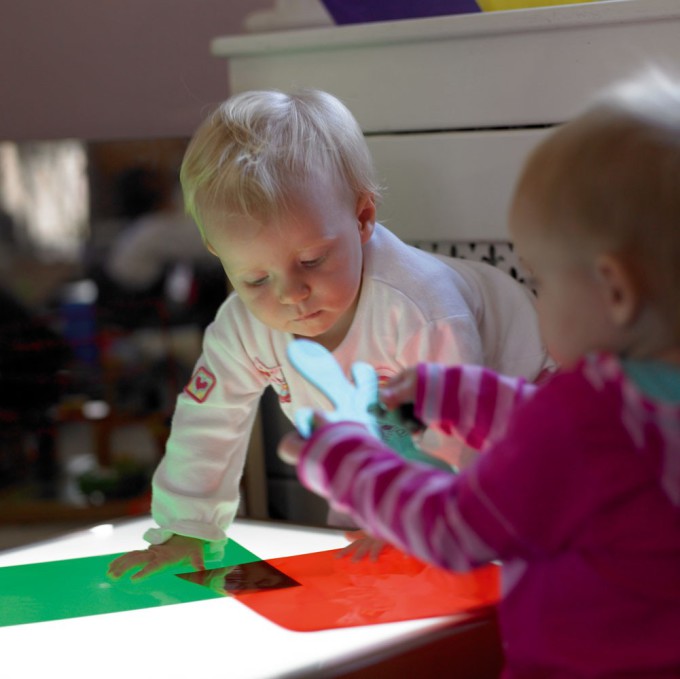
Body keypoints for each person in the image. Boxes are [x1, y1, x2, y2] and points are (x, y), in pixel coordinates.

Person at [278, 71, 680, 678]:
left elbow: (452, 529)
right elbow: (548, 432)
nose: (535, 301)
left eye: (540, 281)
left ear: (615, 291)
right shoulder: (628, 405)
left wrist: (346, 461)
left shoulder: (582, 420)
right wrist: (455, 393)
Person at [108, 88, 551, 580]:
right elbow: (209, 419)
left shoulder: (420, 309)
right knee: (365, 540)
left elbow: (455, 429)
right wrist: (188, 525)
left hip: (528, 396)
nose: (291, 294)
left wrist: (413, 517)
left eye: (312, 261)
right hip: (392, 430)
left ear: (363, 218)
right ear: (217, 253)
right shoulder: (243, 325)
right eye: (256, 279)